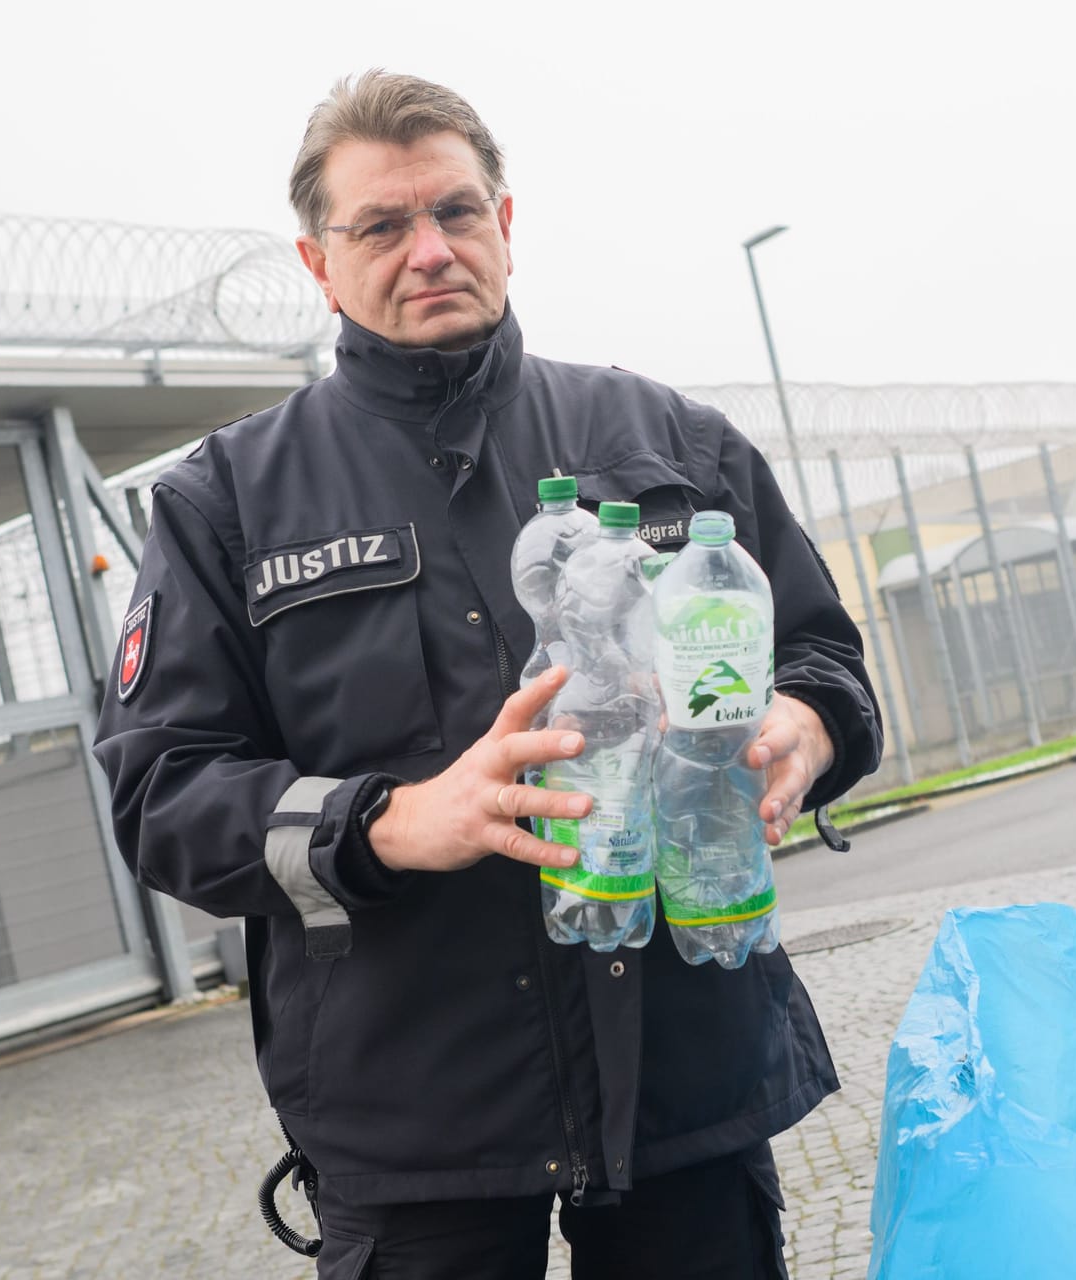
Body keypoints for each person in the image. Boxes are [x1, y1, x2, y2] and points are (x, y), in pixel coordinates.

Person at [92, 69, 881, 1279]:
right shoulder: (228, 503)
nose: (429, 250)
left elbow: (828, 656)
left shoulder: (670, 442)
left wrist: (804, 728)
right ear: (318, 262)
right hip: (417, 1119)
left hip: (685, 1075)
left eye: (457, 213)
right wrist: (395, 819)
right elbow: (164, 797)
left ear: (504, 225)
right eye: (383, 226)